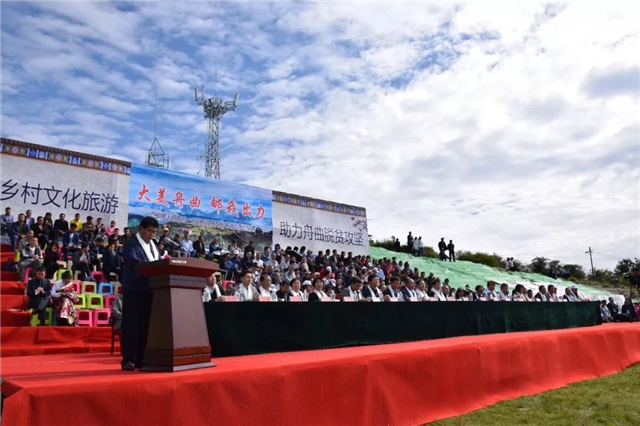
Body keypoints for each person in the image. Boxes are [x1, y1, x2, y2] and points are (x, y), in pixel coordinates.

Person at [121, 216, 160, 371]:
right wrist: (151, 267)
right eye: (149, 231)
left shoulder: (154, 246)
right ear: (141, 228)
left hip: (149, 290)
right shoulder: (131, 244)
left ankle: (141, 358)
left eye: (154, 232)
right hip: (134, 290)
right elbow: (131, 260)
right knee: (131, 325)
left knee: (145, 327)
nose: (152, 234)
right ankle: (128, 359)